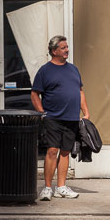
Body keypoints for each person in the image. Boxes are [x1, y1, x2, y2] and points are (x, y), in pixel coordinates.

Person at [31, 35, 89, 201]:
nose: (67, 50)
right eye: (63, 48)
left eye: (67, 47)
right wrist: (42, 113)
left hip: (71, 118)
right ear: (53, 51)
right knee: (52, 150)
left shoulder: (73, 69)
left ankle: (61, 187)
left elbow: (80, 91)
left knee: (65, 151)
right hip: (53, 118)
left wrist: (85, 111)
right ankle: (47, 188)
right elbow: (35, 94)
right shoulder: (45, 70)